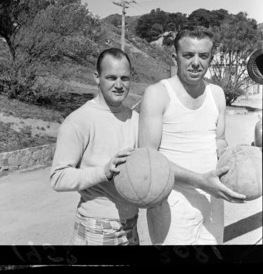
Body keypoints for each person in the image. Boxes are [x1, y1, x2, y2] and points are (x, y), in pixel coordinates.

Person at [138, 25, 246, 245]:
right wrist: (200, 180)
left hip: (213, 201)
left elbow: (220, 139)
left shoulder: (217, 94)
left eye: (203, 56)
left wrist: (235, 164)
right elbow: (148, 159)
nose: (196, 62)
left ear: (211, 58)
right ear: (175, 57)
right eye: (188, 55)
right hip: (172, 205)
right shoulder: (158, 94)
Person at [50, 48, 139, 245]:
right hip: (96, 228)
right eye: (111, 77)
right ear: (97, 78)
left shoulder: (136, 119)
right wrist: (103, 171)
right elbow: (58, 178)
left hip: (131, 225)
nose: (119, 85)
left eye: (124, 78)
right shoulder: (79, 120)